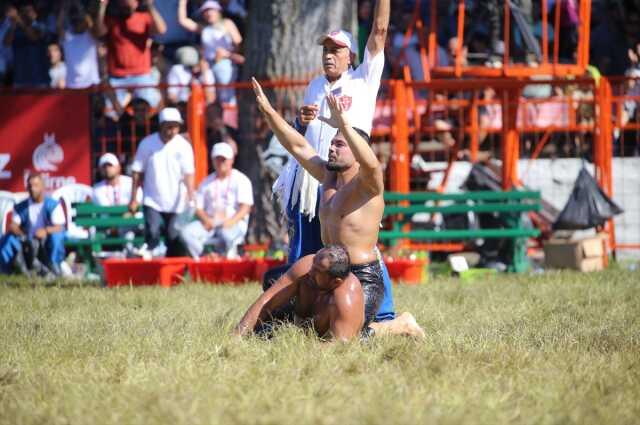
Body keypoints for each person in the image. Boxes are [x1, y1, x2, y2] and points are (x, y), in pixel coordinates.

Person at [253, 78, 424, 338]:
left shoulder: (368, 186)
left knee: (349, 335)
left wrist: (344, 123)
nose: (331, 148)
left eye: (339, 144)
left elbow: (373, 166)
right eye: (332, 143)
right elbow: (298, 145)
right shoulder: (328, 177)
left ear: (359, 151)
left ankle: (399, 325)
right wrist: (268, 112)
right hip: (328, 271)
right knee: (273, 282)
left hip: (362, 276)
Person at [273, 0, 397, 323]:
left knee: (360, 248)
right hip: (313, 180)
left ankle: (382, 315)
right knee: (310, 256)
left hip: (351, 181)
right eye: (325, 49)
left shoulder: (363, 79)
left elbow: (380, 32)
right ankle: (303, 312)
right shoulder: (315, 86)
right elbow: (303, 139)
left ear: (351, 56)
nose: (329, 54)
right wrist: (301, 121)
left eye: (336, 49)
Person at [235, 245, 365, 341]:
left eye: (318, 271)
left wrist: (293, 348)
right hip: (303, 318)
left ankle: (378, 328)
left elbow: (339, 347)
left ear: (335, 282)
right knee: (271, 278)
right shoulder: (307, 266)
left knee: (363, 334)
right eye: (313, 265)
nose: (310, 272)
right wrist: (237, 335)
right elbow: (266, 301)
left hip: (338, 323)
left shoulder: (346, 300)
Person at [129, 107, 195, 257]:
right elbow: (137, 171)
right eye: (169, 126)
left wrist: (191, 194)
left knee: (174, 236)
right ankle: (150, 267)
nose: (172, 130)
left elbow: (188, 173)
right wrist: (133, 198)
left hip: (177, 202)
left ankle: (173, 270)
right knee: (152, 232)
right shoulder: (147, 144)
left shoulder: (184, 146)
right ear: (161, 125)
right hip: (152, 199)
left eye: (175, 126)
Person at [180, 142, 253, 258]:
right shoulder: (206, 182)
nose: (220, 163)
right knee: (187, 232)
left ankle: (227, 258)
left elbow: (245, 208)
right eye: (217, 159)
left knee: (226, 234)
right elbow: (198, 207)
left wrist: (230, 222)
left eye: (223, 159)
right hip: (210, 223)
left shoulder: (241, 180)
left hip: (233, 222)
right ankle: (204, 257)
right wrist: (206, 220)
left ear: (231, 160)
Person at [96, 0, 166, 110]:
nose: (126, 5)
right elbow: (99, 32)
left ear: (137, 3)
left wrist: (150, 6)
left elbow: (161, 30)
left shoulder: (143, 17)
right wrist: (102, 6)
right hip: (117, 77)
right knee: (111, 113)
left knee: (151, 109)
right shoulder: (111, 20)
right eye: (123, 2)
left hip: (141, 75)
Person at [177, 0, 244, 104]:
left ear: (218, 11)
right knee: (209, 98)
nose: (208, 13)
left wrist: (228, 54)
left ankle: (229, 120)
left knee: (226, 97)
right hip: (207, 66)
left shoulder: (227, 23)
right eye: (205, 11)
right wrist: (182, 3)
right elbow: (183, 21)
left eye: (211, 10)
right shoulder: (204, 28)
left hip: (224, 64)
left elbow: (238, 43)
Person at [0, 173, 66, 277]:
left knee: (56, 237)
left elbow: (59, 227)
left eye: (36, 185)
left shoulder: (53, 205)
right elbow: (13, 225)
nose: (32, 188)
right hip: (27, 239)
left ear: (42, 187)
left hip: (46, 239)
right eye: (30, 186)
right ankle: (5, 271)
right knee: (8, 239)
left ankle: (54, 266)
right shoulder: (21, 206)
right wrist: (22, 234)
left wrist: (45, 231)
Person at [2, 2, 50, 87]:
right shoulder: (15, 29)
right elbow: (6, 43)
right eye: (23, 12)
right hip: (20, 81)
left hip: (39, 81)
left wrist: (19, 20)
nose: (25, 14)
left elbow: (34, 37)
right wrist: (13, 24)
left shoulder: (41, 26)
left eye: (28, 11)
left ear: (35, 14)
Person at [55, 0, 100, 89]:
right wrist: (64, 8)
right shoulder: (67, 38)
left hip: (92, 85)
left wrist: (81, 9)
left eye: (80, 20)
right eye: (75, 21)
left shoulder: (90, 36)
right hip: (72, 85)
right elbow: (59, 26)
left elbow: (91, 23)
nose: (77, 23)